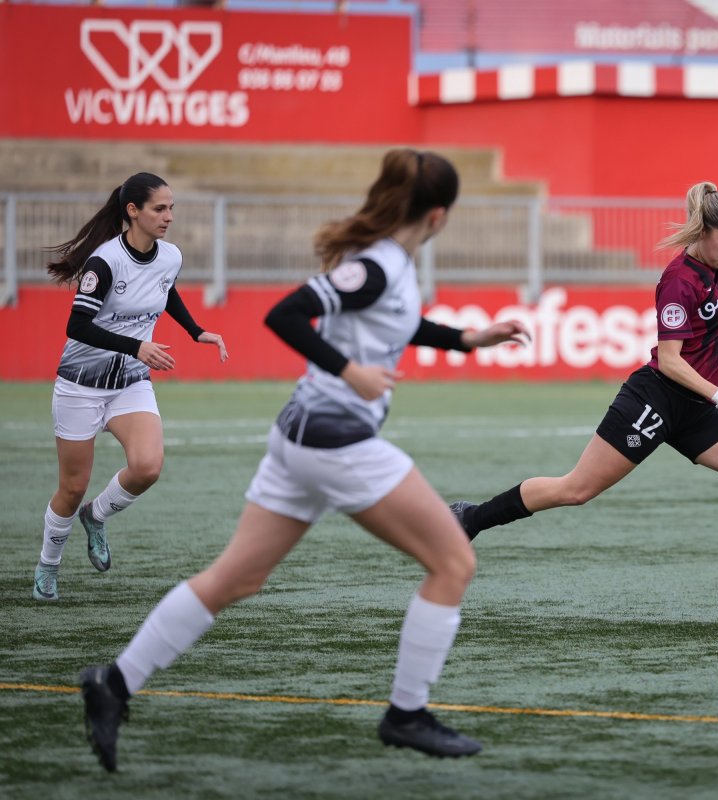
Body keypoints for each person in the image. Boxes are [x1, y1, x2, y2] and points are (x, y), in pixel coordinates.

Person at [78, 149, 530, 771]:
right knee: (453, 559)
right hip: (335, 440)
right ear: (440, 214)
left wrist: (464, 339)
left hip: (302, 437)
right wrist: (351, 372)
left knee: (236, 579)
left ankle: (114, 684)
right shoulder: (377, 264)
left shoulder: (388, 264)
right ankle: (406, 713)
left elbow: (394, 319)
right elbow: (284, 314)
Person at [450, 182, 718, 617]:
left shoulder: (716, 269)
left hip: (695, 409)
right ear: (703, 232)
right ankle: (471, 518)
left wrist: (713, 399)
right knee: (575, 489)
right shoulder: (679, 281)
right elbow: (670, 361)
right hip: (654, 401)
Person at [33, 173, 228, 602]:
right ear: (132, 211)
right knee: (71, 486)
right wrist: (137, 345)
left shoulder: (170, 256)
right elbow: (77, 325)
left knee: (147, 467)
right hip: (80, 387)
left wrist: (196, 332)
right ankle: (48, 564)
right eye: (160, 208)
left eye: (172, 208)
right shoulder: (104, 262)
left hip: (128, 383)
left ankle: (96, 517)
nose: (169, 217)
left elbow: (165, 290)